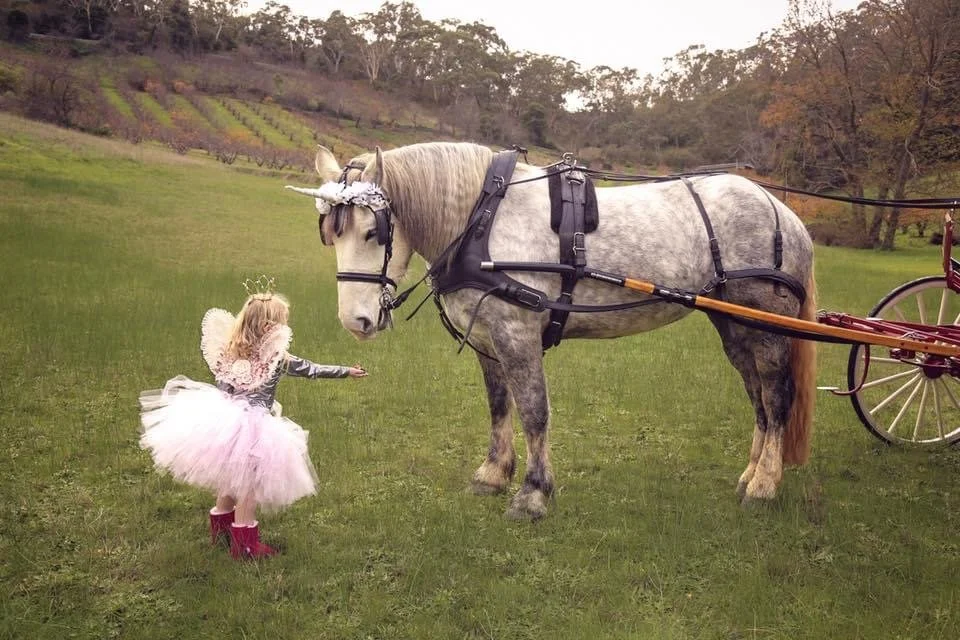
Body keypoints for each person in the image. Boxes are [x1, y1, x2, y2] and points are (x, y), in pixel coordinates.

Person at [139, 286, 367, 560]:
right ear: (270, 327)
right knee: (249, 485)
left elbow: (225, 386)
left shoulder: (229, 350)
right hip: (255, 427)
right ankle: (244, 543)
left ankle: (221, 529)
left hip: (223, 421)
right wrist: (346, 372)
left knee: (230, 478)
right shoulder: (275, 358)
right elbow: (311, 369)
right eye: (282, 322)